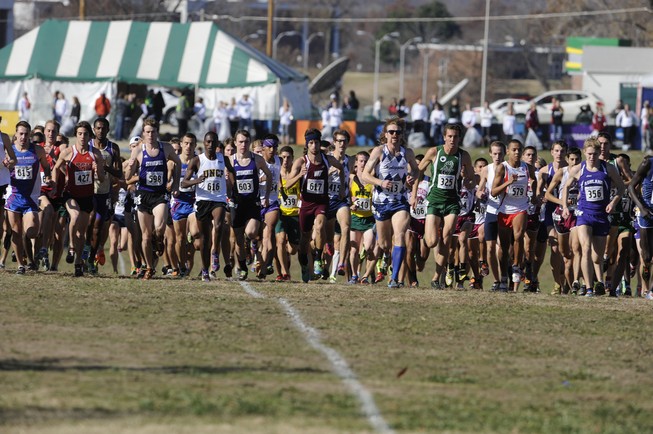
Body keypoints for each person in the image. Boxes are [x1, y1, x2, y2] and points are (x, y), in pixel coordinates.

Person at [561, 137, 625, 296]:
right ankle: (588, 288)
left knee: (597, 257)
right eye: (589, 154)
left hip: (601, 215)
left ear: (599, 154)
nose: (592, 157)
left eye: (595, 154)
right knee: (586, 248)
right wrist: (565, 207)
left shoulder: (608, 168)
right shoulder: (578, 169)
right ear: (585, 153)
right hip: (584, 214)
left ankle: (598, 283)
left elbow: (621, 187)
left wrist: (613, 202)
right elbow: (566, 187)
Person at [415, 123, 474, 289]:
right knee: (432, 241)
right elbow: (418, 172)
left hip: (452, 203)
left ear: (459, 138)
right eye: (450, 136)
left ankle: (436, 277)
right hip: (434, 200)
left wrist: (468, 180)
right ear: (444, 137)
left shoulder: (464, 155)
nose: (452, 140)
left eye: (455, 137)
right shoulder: (434, 152)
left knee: (447, 238)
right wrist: (413, 194)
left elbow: (471, 178)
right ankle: (425, 246)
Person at [361, 118, 419, 288]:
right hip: (381, 202)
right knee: (384, 244)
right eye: (391, 132)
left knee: (400, 235)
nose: (395, 135)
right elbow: (365, 175)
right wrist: (380, 183)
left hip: (400, 201)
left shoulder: (407, 153)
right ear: (385, 134)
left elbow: (416, 169)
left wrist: (412, 176)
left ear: (402, 135)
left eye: (398, 132)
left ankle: (394, 279)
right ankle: (386, 255)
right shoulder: (379, 152)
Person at [286, 128, 346, 283]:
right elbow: (287, 184)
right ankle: (305, 266)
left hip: (321, 203)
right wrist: (300, 175)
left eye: (316, 142)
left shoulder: (327, 160)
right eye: (311, 143)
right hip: (306, 204)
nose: (314, 146)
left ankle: (319, 258)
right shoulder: (301, 162)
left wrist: (340, 188)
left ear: (320, 144)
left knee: (319, 226)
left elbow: (340, 169)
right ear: (307, 144)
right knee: (304, 240)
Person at [125, 118, 181, 279]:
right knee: (145, 235)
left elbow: (177, 163)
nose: (150, 134)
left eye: (153, 131)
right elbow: (128, 177)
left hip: (160, 195)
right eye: (147, 132)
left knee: (159, 228)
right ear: (143, 133)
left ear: (157, 132)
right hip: (143, 195)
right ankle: (149, 267)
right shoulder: (138, 150)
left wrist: (175, 184)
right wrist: (130, 165)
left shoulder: (166, 148)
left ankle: (159, 241)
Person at [53, 121, 107, 277]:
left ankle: (78, 262)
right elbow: (56, 168)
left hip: (87, 197)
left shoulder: (95, 154)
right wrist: (55, 185)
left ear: (90, 136)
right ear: (76, 135)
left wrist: (98, 172)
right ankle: (70, 247)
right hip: (70, 195)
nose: (82, 137)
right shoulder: (69, 152)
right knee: (74, 216)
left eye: (85, 134)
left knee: (81, 234)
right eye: (80, 134)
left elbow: (102, 179)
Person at [181, 132, 233, 282]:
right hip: (203, 200)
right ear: (204, 143)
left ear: (217, 144)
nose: (210, 145)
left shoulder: (224, 159)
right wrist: (196, 180)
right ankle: (204, 269)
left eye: (213, 142)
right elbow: (184, 183)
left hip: (218, 199)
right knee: (204, 240)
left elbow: (232, 173)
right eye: (208, 142)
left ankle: (215, 253)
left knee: (218, 225)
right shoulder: (197, 160)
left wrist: (232, 187)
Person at [492, 139, 537, 291]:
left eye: (519, 150)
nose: (517, 153)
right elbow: (493, 191)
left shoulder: (527, 167)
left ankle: (517, 268)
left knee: (518, 237)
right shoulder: (502, 168)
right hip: (505, 209)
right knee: (505, 249)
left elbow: (534, 179)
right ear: (508, 152)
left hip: (521, 207)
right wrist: (508, 183)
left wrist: (534, 195)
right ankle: (504, 277)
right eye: (514, 150)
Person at [5, 121, 49, 274]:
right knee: (15, 232)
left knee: (31, 232)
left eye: (26, 134)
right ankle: (20, 265)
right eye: (20, 134)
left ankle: (26, 251)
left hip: (31, 198)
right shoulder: (8, 151)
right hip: (13, 197)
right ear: (16, 134)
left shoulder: (37, 150)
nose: (23, 137)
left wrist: (48, 176)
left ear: (30, 135)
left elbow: (46, 165)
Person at [229, 129, 272, 280]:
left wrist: (266, 195)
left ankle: (251, 243)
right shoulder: (230, 160)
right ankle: (242, 267)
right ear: (235, 143)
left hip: (252, 203)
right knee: (238, 240)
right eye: (240, 142)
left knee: (252, 233)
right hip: (237, 205)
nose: (243, 145)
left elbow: (269, 175)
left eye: (246, 142)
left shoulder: (257, 159)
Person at [87, 117, 122, 274]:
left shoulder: (113, 148)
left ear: (108, 130)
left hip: (104, 192)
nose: (100, 131)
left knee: (98, 228)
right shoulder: (87, 145)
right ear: (94, 130)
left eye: (103, 128)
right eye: (98, 128)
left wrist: (104, 167)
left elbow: (119, 172)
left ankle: (91, 259)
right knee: (90, 219)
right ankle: (84, 248)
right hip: (88, 190)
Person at [476, 141, 506, 290]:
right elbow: (480, 188)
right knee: (490, 248)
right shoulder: (486, 169)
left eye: (500, 153)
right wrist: (479, 193)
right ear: (490, 154)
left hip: (507, 212)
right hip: (491, 211)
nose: (497, 156)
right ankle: (496, 281)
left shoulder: (508, 168)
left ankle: (505, 278)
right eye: (495, 153)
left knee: (504, 249)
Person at [274, 146, 300, 281]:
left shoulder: (298, 173)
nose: (285, 160)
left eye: (288, 157)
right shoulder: (276, 173)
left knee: (292, 249)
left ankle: (285, 257)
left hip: (295, 214)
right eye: (283, 157)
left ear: (292, 158)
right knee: (280, 240)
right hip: (280, 213)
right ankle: (284, 272)